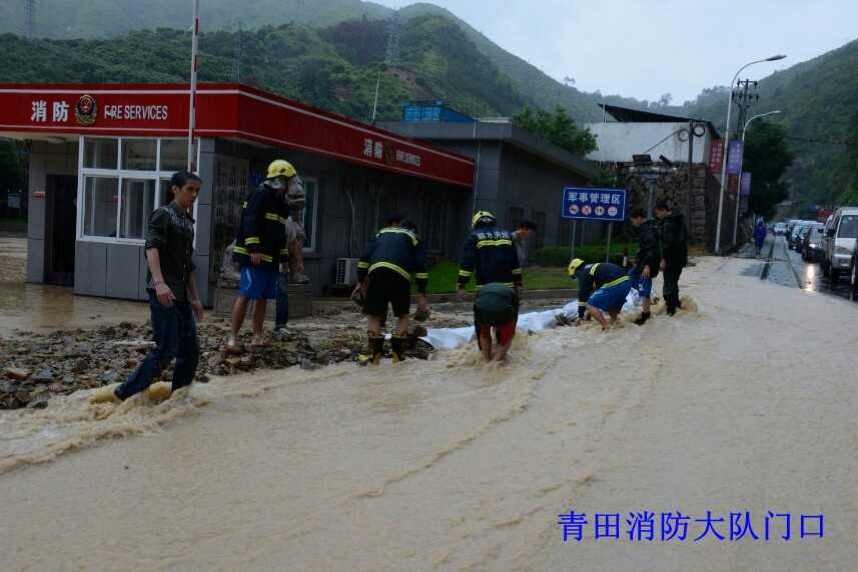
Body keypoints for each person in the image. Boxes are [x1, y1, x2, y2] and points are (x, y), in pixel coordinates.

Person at [91, 171, 204, 403]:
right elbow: (151, 248)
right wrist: (159, 283)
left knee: (190, 351)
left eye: (197, 191)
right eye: (189, 189)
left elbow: (188, 265)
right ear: (175, 189)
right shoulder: (163, 215)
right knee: (166, 349)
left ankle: (178, 398)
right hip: (162, 291)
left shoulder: (187, 222)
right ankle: (123, 394)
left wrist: (195, 298)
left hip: (181, 294)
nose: (194, 195)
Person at [227, 160, 294, 351]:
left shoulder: (281, 203)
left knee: (263, 297)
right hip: (253, 256)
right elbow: (250, 221)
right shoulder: (260, 194)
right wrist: (254, 248)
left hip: (270, 258)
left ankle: (257, 336)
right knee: (247, 294)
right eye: (288, 180)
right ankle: (233, 337)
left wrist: (283, 258)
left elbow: (280, 233)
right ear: (280, 179)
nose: (291, 185)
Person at [356, 214, 430, 364]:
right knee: (402, 315)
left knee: (374, 315)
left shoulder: (381, 233)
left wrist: (360, 281)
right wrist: (422, 294)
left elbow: (364, 259)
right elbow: (421, 267)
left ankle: (375, 357)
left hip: (376, 272)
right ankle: (398, 357)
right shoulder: (414, 238)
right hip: (400, 275)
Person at [457, 211, 523, 362]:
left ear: (475, 224)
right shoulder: (508, 236)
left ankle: (486, 363)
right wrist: (518, 284)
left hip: (484, 291)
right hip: (508, 291)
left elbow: (466, 265)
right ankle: (498, 364)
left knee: (483, 329)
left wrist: (461, 286)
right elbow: (515, 264)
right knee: (506, 329)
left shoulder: (474, 237)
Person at [568, 258, 636, 330]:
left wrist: (580, 316)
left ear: (576, 270)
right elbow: (595, 294)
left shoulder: (583, 272)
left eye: (574, 277)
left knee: (589, 305)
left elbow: (583, 295)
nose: (577, 279)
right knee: (611, 307)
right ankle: (616, 324)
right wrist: (589, 314)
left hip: (615, 284)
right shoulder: (592, 269)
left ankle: (607, 328)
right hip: (626, 283)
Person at [654, 200, 688, 316]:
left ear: (663, 211)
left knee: (668, 286)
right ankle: (676, 307)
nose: (657, 216)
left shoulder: (668, 224)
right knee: (673, 283)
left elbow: (667, 244)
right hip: (680, 259)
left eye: (658, 213)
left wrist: (663, 259)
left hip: (671, 260)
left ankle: (670, 311)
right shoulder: (679, 221)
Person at [629, 208, 660, 325]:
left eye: (633, 221)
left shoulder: (649, 230)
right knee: (630, 278)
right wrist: (637, 262)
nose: (633, 223)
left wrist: (647, 266)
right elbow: (642, 249)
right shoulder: (644, 229)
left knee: (644, 288)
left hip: (647, 264)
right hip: (641, 263)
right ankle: (646, 298)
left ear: (639, 218)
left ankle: (646, 314)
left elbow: (651, 250)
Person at [473, 282, 518, 363]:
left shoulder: (481, 291)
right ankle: (494, 364)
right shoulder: (513, 294)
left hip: (482, 308)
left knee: (484, 334)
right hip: (501, 309)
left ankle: (486, 361)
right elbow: (512, 323)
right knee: (507, 337)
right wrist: (509, 332)